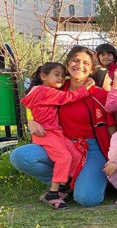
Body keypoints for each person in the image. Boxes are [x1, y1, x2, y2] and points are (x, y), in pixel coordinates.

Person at [11, 46, 115, 207]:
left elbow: (113, 123)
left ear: (92, 69)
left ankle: (81, 182)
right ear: (67, 64)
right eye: (75, 60)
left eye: (85, 63)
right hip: (60, 142)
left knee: (87, 199)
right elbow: (36, 107)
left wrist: (115, 158)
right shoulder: (55, 88)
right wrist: (31, 122)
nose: (79, 65)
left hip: (91, 148)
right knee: (20, 156)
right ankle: (62, 185)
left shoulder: (99, 94)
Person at [20, 63, 95, 209]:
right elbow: (68, 97)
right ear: (43, 76)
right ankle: (53, 193)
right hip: (46, 133)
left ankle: (63, 187)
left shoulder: (43, 90)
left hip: (56, 132)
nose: (60, 78)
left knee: (75, 155)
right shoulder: (44, 90)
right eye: (56, 74)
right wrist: (86, 88)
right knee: (64, 157)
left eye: (62, 75)